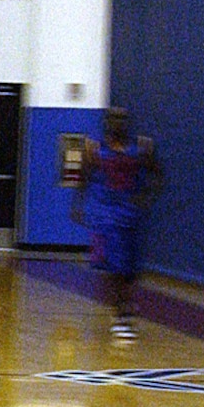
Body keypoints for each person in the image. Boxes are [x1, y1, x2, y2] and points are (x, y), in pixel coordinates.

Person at [71, 106, 162, 340]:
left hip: (129, 211)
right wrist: (77, 205)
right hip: (104, 212)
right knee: (113, 264)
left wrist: (146, 197)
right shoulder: (95, 149)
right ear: (107, 122)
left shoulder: (141, 147)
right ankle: (121, 312)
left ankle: (126, 304)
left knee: (130, 267)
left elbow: (158, 174)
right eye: (114, 118)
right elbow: (84, 178)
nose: (118, 122)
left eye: (122, 118)